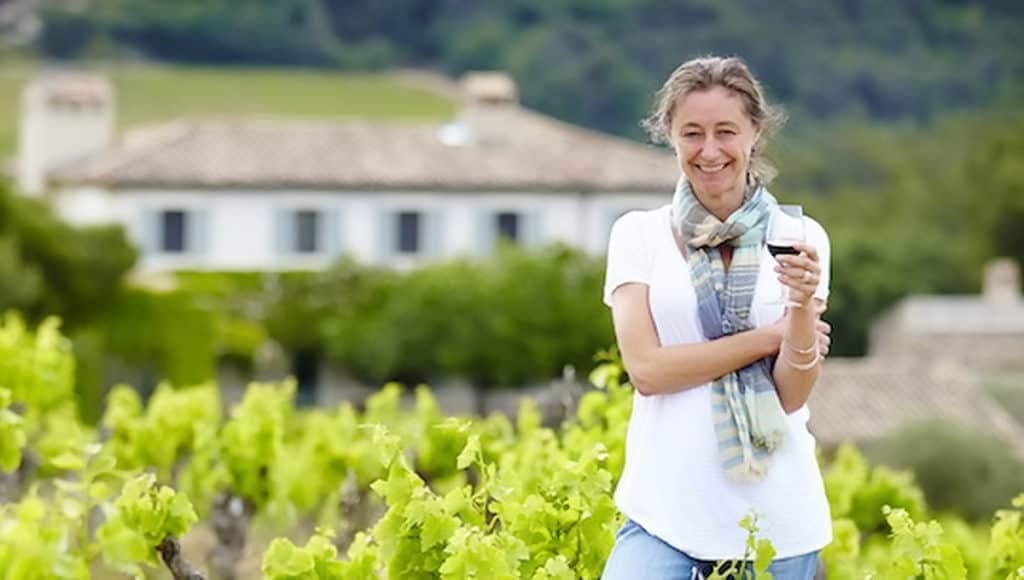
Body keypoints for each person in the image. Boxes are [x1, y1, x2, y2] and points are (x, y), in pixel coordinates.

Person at [600, 55, 832, 579]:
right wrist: (768, 337)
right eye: (692, 133)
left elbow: (791, 395)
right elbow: (649, 372)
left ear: (756, 131)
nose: (709, 151)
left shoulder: (801, 237)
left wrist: (797, 312)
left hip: (776, 517)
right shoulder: (638, 235)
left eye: (726, 131)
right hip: (665, 509)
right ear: (669, 135)